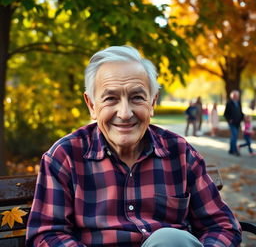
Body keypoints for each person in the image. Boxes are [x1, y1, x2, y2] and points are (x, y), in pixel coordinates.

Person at [26, 46, 241, 247]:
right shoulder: (65, 156)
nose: (125, 113)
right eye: (111, 99)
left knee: (170, 239)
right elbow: (47, 233)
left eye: (137, 97)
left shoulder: (180, 152)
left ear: (152, 102)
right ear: (91, 105)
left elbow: (222, 226)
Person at [224, 90, 244, 156]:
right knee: (234, 135)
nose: (237, 97)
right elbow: (225, 113)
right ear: (232, 96)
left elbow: (240, 111)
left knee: (233, 136)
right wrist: (229, 119)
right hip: (232, 123)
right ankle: (235, 151)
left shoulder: (239, 102)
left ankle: (231, 150)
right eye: (235, 95)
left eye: (237, 95)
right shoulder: (229, 103)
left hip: (238, 122)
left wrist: (243, 117)